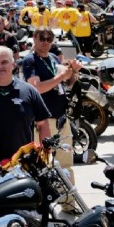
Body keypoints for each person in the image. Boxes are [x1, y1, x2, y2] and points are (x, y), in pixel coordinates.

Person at [0, 46, 51, 166]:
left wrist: (45, 155)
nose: (0, 66)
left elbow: (43, 124)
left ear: (13, 64)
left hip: (22, 163)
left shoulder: (29, 91)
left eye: (4, 62)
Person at [20, 29, 74, 177]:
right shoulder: (30, 60)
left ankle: (68, 200)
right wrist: (61, 77)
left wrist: (73, 72)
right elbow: (36, 88)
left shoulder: (53, 58)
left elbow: (67, 84)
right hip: (44, 120)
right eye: (42, 38)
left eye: (49, 39)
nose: (45, 42)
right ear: (34, 38)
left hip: (61, 117)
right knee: (44, 164)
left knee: (66, 164)